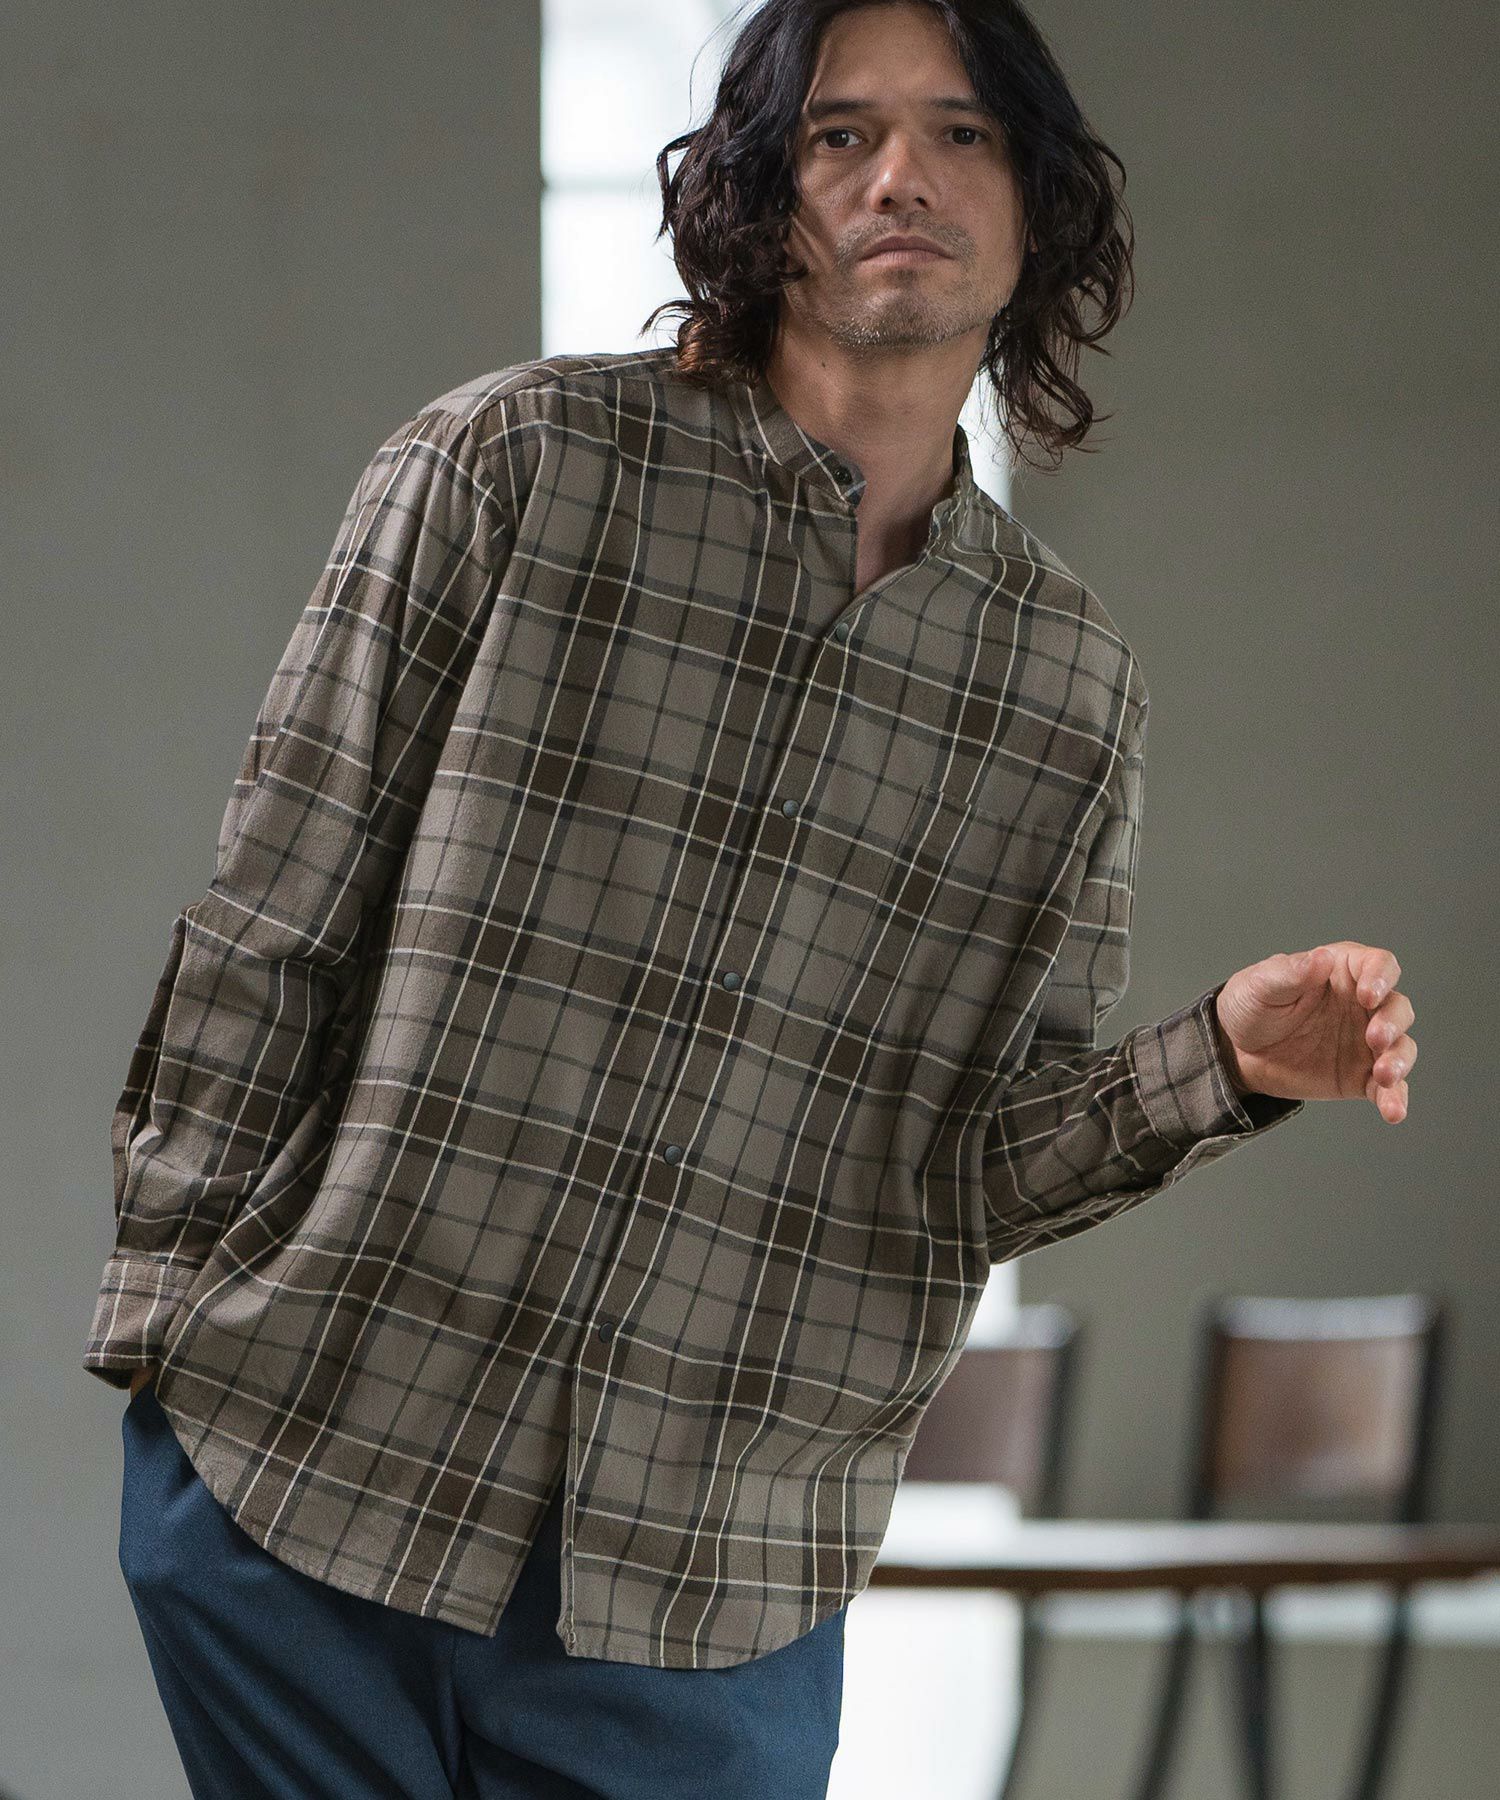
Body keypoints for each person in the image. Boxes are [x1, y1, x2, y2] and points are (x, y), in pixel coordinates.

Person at [88, 2, 1417, 1795]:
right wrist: (168, 1355)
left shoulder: (1065, 690)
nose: (900, 177)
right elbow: (273, 923)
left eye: (962, 133)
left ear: (1038, 203)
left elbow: (966, 1171)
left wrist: (1226, 1064)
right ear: (753, 192)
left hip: (707, 1596)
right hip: (312, 1486)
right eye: (838, 133)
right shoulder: (508, 466)